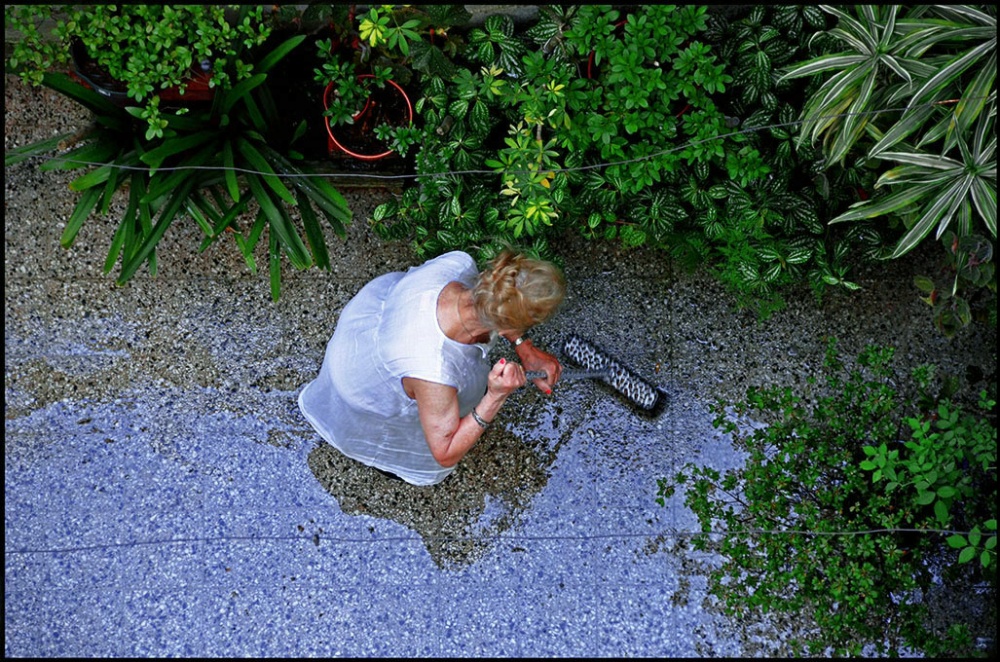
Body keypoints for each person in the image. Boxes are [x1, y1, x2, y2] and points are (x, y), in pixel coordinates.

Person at [298, 249, 566, 486]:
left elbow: (496, 305)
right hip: (365, 387)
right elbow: (445, 451)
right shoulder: (434, 370)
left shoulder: (458, 266)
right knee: (419, 431)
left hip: (365, 335)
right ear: (511, 321)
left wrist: (525, 348)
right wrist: (495, 396)